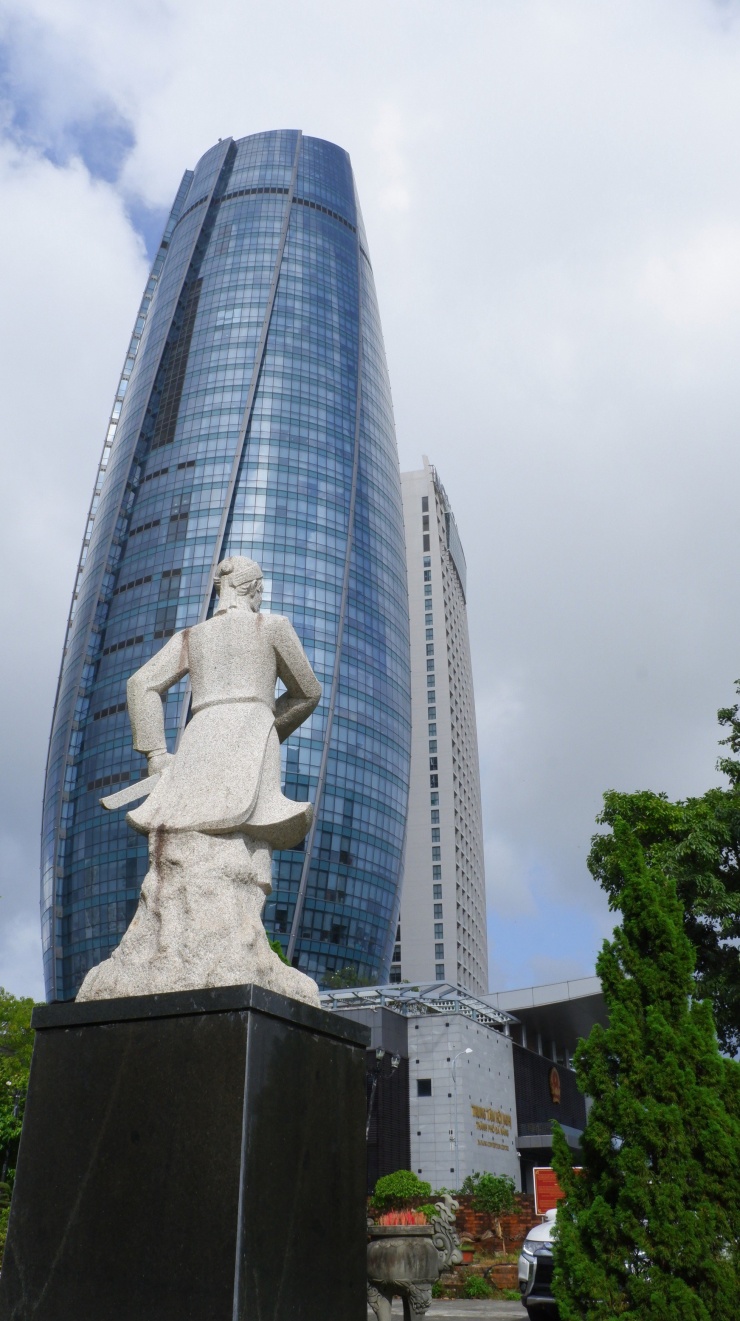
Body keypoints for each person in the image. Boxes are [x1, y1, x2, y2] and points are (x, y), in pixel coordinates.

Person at [76, 557, 322, 1005]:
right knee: (243, 842)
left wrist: (157, 754)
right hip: (249, 730)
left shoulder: (193, 636)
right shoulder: (272, 626)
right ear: (252, 588)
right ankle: (227, 941)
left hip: (200, 735)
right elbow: (308, 692)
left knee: (192, 836)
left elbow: (140, 685)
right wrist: (268, 728)